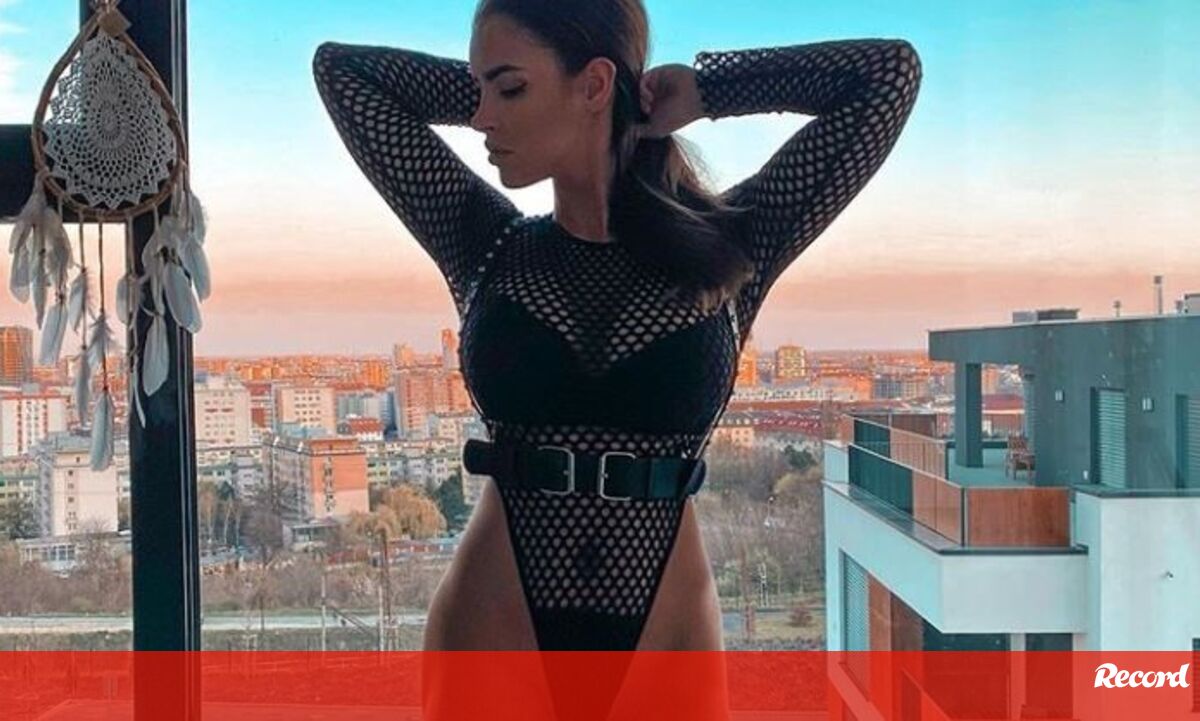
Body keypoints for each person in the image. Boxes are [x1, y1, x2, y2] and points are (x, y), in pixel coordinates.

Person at [313, 0, 921, 653]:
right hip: (493, 617)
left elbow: (887, 75)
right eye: (477, 90)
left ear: (595, 84)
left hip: (667, 627)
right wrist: (516, 93)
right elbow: (344, 73)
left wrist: (707, 90)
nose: (482, 116)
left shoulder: (732, 246)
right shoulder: (486, 245)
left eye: (509, 88)